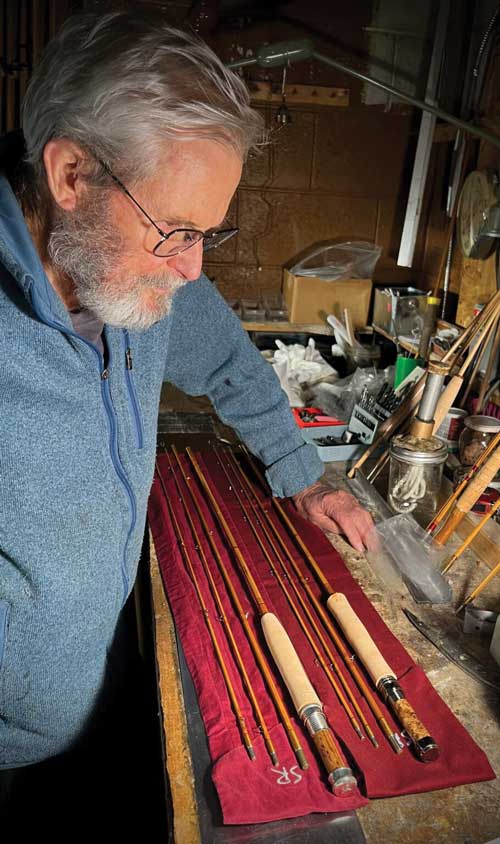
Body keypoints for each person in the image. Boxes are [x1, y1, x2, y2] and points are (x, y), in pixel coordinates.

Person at [0, 9, 374, 831]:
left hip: (96, 700)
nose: (192, 266)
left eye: (207, 232)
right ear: (71, 174)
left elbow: (234, 364)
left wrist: (305, 479)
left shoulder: (144, 272)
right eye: (175, 229)